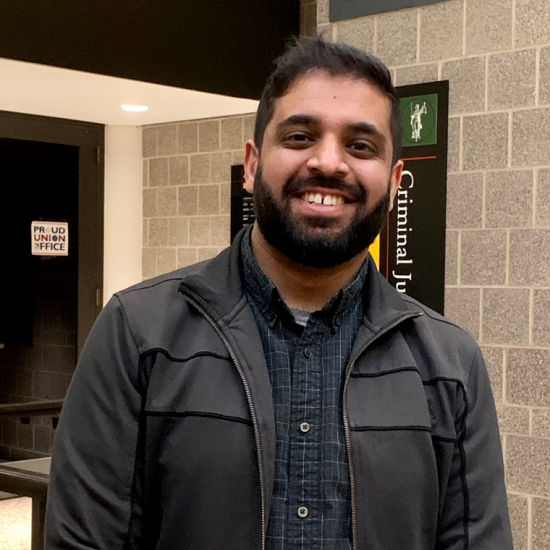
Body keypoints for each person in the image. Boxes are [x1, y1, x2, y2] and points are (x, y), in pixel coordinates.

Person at [45, 38, 512, 550]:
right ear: (251, 164)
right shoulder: (138, 334)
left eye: (361, 145)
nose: (329, 162)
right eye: (299, 136)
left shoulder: (450, 365)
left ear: (396, 181)